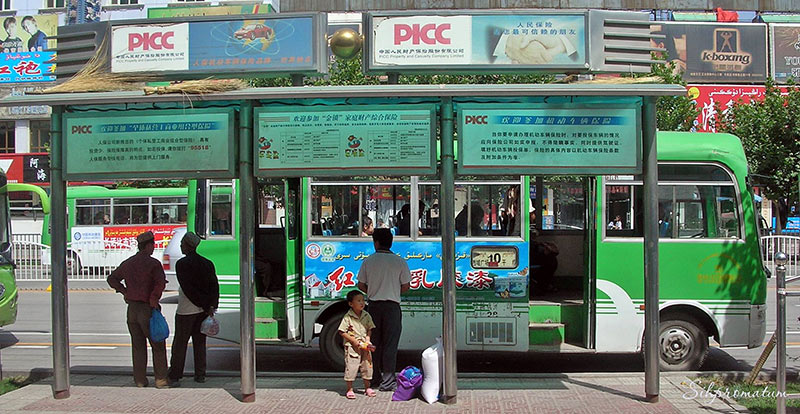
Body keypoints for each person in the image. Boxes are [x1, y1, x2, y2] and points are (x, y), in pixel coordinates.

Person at [106, 231, 170, 388]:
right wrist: (154, 299)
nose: (153, 248)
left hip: (132, 310)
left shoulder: (128, 263)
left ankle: (140, 380)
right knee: (158, 345)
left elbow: (112, 278)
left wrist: (124, 291)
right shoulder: (153, 264)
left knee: (138, 346)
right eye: (152, 245)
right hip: (147, 309)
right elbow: (159, 284)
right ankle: (161, 380)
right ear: (148, 246)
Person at [356, 228, 411, 392]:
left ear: (376, 242)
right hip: (392, 308)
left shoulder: (368, 261)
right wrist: (392, 291)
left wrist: (373, 291)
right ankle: (388, 382)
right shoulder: (400, 262)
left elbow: (361, 285)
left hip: (373, 307)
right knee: (390, 345)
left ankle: (373, 379)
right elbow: (406, 286)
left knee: (373, 344)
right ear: (391, 242)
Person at [168, 232, 219, 386]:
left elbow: (188, 289)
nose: (180, 246)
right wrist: (210, 306)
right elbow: (214, 286)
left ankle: (176, 375)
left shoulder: (182, 264)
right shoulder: (207, 263)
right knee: (199, 343)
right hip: (203, 311)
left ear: (187, 245)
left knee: (180, 344)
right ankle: (200, 374)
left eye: (182, 244)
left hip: (186, 310)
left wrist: (201, 304)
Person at [338, 289, 376, 399]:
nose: (362, 303)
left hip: (364, 345)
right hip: (352, 347)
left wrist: (368, 339)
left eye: (363, 300)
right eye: (358, 301)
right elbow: (341, 331)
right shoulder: (348, 317)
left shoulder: (366, 315)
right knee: (351, 366)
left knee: (367, 366)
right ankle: (349, 389)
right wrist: (353, 341)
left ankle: (367, 387)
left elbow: (370, 328)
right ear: (351, 304)